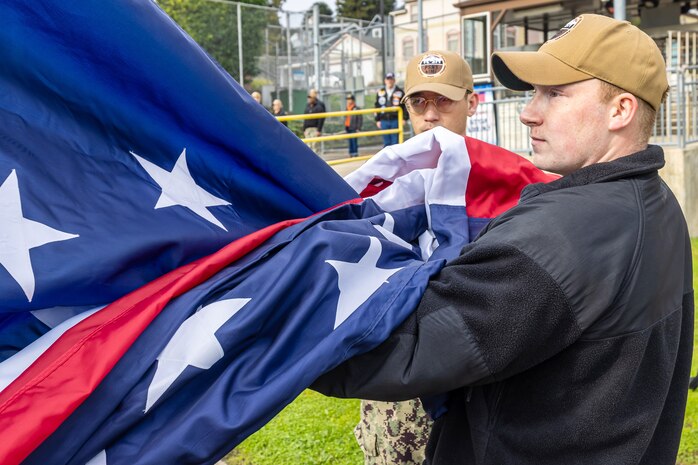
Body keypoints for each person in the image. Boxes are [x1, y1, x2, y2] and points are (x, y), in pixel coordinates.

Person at [314, 14, 693, 465]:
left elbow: (403, 348)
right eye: (534, 92)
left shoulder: (560, 234)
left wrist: (263, 317)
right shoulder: (657, 201)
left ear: (620, 110)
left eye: (555, 93)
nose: (529, 111)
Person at [375, 72, 408, 147]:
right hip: (384, 120)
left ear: (394, 80)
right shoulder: (380, 92)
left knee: (395, 142)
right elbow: (377, 105)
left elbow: (405, 105)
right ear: (385, 81)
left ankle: (395, 159)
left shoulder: (400, 91)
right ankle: (387, 158)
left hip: (396, 119)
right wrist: (377, 120)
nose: (389, 81)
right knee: (386, 142)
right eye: (388, 79)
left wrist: (404, 118)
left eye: (391, 79)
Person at [303, 88, 326, 152]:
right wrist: (304, 129)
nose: (310, 98)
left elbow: (322, 118)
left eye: (311, 95)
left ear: (315, 95)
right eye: (309, 96)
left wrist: (319, 130)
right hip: (308, 128)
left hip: (315, 128)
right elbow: (305, 117)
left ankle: (315, 161)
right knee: (308, 146)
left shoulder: (320, 105)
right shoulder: (307, 105)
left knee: (315, 146)